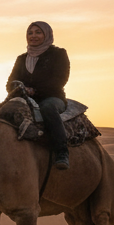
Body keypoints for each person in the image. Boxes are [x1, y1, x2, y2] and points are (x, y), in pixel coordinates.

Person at [6, 20, 72, 169]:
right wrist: (15, 88)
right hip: (25, 99)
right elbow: (10, 81)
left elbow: (60, 79)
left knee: (47, 108)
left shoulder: (58, 54)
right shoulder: (21, 59)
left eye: (38, 32)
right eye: (30, 33)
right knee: (0, 110)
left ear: (46, 34)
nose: (33, 36)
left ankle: (62, 152)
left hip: (52, 97)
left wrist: (34, 90)